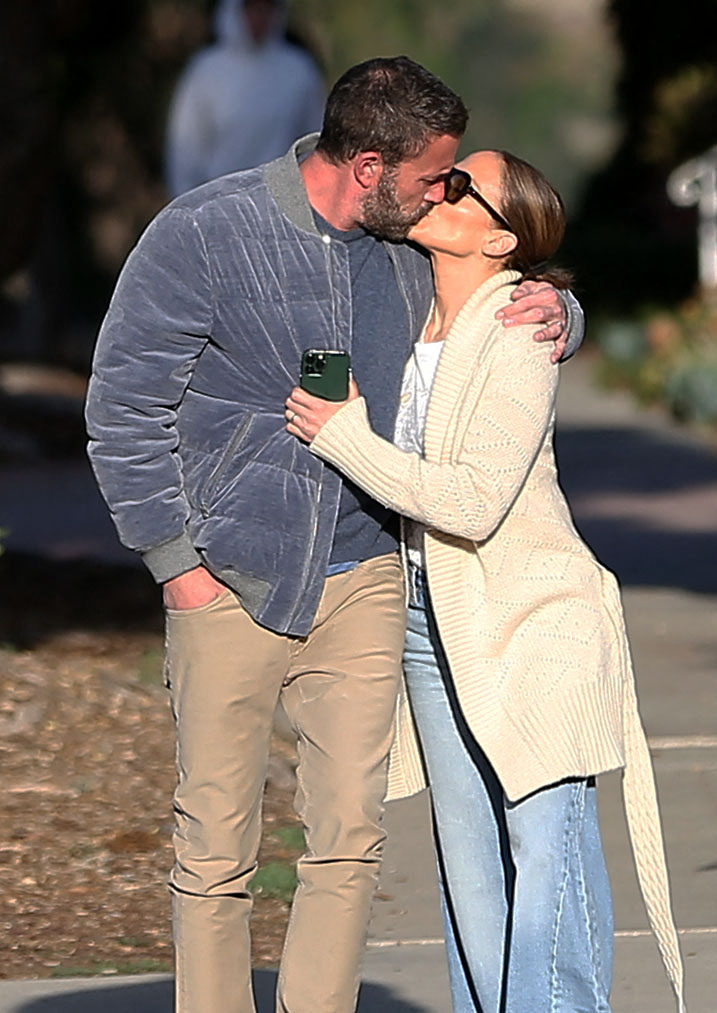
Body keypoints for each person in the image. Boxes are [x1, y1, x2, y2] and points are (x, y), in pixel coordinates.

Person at [85, 57, 584, 1013]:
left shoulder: (409, 245)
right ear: (368, 166)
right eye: (433, 174)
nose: (445, 192)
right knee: (216, 841)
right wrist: (174, 563)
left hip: (363, 579)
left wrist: (562, 308)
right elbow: (123, 406)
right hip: (227, 579)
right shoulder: (205, 232)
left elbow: (501, 291)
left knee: (349, 839)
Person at [285, 151, 687, 1012]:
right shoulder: (394, 289)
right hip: (430, 623)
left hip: (536, 615)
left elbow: (468, 501)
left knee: (546, 851)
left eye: (462, 185)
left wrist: (345, 435)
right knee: (468, 869)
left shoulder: (519, 330)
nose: (439, 186)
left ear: (499, 238)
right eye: (443, 174)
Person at [164, 0, 324, 197]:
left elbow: (314, 141)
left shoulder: (299, 70)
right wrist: (185, 201)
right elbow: (185, 145)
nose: (259, 18)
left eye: (267, 9)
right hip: (217, 199)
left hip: (279, 203)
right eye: (252, 9)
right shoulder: (207, 69)